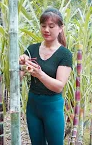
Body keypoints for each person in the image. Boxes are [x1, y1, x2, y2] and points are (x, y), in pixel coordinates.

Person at [19, 7, 73, 145]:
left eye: (51, 26)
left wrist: (40, 74)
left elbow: (59, 86)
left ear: (60, 28)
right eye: (43, 26)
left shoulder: (65, 54)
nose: (46, 30)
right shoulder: (32, 49)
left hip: (52, 107)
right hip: (33, 105)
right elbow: (18, 76)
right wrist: (21, 64)